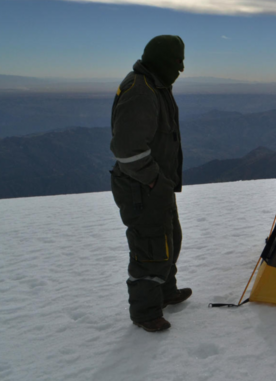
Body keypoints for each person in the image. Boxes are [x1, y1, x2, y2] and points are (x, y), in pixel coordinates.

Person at [110, 35, 191, 332]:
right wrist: (155, 179)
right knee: (149, 247)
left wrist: (162, 181)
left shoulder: (156, 84)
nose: (180, 69)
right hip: (140, 186)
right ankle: (145, 312)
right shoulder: (141, 91)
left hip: (156, 184)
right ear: (162, 61)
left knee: (170, 237)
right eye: (176, 63)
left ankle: (166, 291)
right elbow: (127, 150)